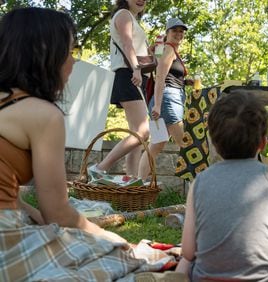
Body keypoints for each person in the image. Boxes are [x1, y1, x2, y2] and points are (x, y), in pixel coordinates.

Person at [0, 7, 190, 281]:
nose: (74, 63)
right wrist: (114, 240)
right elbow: (58, 213)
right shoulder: (43, 115)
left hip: (11, 219)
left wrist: (53, 231)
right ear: (45, 56)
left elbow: (14, 202)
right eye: (70, 53)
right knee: (120, 260)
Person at [175, 92, 268, 281]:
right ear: (263, 142)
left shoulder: (199, 182)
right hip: (264, 278)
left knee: (185, 263)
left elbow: (188, 251)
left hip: (207, 278)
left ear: (213, 142)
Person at [89, 0, 151, 177]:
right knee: (143, 132)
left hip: (133, 75)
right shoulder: (123, 15)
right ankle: (99, 168)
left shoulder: (132, 17)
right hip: (129, 75)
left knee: (137, 137)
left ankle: (131, 180)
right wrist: (137, 69)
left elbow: (134, 47)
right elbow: (127, 44)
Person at [138, 18, 191, 179]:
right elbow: (160, 76)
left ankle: (139, 184)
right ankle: (198, 187)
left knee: (157, 145)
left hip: (165, 99)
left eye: (181, 31)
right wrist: (158, 106)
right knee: (186, 143)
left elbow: (166, 73)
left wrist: (186, 81)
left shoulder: (169, 50)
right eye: (174, 30)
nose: (178, 34)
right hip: (168, 100)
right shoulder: (168, 49)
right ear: (167, 33)